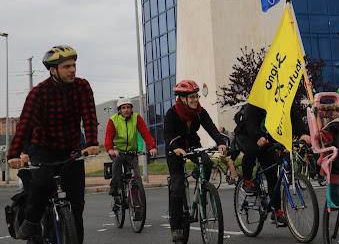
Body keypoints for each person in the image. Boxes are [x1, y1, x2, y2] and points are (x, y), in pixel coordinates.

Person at [7, 45, 100, 242]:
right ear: (53, 70)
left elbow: (90, 117)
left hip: (72, 150)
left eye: (74, 65)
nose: (72, 70)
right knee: (39, 188)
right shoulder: (39, 93)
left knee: (77, 207)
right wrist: (14, 154)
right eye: (66, 66)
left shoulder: (82, 86)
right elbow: (25, 125)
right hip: (44, 150)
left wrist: (91, 142)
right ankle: (32, 222)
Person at [165, 80, 227, 243]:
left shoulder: (199, 112)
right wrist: (176, 148)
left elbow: (211, 127)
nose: (195, 100)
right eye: (191, 97)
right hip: (175, 149)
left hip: (193, 146)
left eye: (196, 96)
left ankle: (203, 190)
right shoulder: (172, 113)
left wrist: (220, 142)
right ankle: (177, 226)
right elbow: (168, 135)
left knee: (207, 164)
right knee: (177, 187)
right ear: (182, 98)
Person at [235, 102, 311, 226]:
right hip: (248, 134)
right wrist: (257, 136)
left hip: (267, 137)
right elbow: (250, 122)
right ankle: (247, 180)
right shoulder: (257, 99)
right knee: (252, 150)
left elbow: (294, 116)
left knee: (272, 174)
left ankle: (276, 211)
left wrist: (302, 133)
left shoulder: (282, 97)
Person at [105, 97, 158, 196]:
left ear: (131, 108)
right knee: (117, 160)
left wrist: (152, 147)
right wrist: (110, 150)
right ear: (120, 110)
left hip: (131, 150)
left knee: (136, 176)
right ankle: (115, 186)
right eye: (123, 108)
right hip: (117, 149)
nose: (126, 110)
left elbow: (145, 133)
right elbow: (108, 137)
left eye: (128, 107)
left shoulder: (137, 118)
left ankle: (137, 201)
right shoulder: (113, 120)